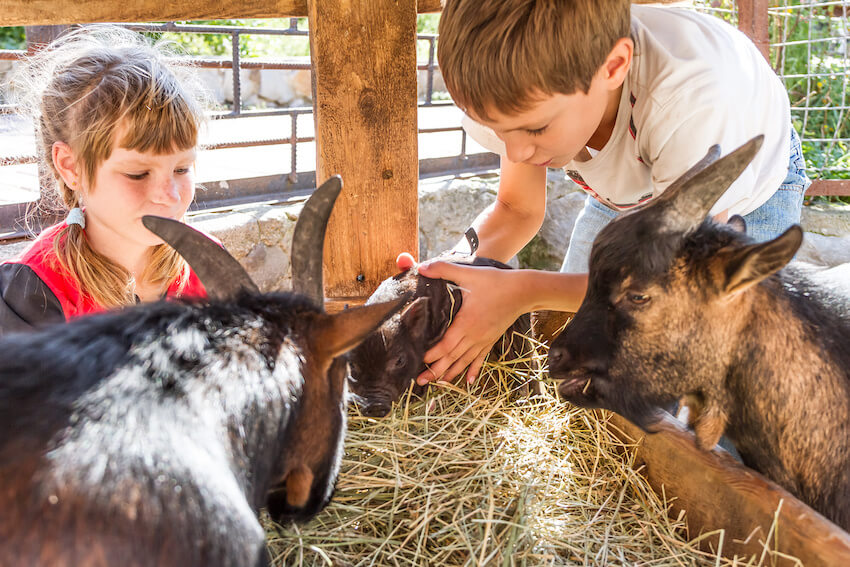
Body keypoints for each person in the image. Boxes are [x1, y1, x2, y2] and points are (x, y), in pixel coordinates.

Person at [401, 0, 811, 386]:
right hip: (625, 191)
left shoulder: (692, 102)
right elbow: (516, 208)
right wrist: (454, 271)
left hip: (747, 196)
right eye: (497, 129)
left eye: (535, 129)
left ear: (613, 67)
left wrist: (519, 292)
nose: (516, 152)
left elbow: (677, 282)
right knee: (583, 362)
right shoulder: (525, 89)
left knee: (734, 375)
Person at [0, 26, 210, 335]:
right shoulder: (32, 292)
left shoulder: (207, 263)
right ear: (71, 167)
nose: (170, 195)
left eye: (181, 169)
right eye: (137, 173)